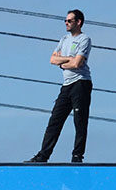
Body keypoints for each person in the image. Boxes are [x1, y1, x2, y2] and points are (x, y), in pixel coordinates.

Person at [26, 9, 92, 164]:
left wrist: (63, 62)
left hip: (81, 83)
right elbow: (52, 59)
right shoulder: (64, 39)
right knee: (55, 120)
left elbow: (77, 63)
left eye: (69, 21)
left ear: (78, 22)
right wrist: (67, 60)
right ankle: (43, 155)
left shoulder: (84, 39)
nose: (66, 23)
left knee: (79, 121)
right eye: (66, 21)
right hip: (67, 84)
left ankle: (77, 156)